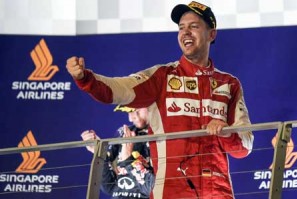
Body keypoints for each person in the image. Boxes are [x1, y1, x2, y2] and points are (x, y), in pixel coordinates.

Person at [67, 1, 254, 198]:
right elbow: (117, 90)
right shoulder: (162, 77)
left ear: (212, 34)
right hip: (171, 191)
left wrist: (226, 132)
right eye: (181, 28)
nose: (185, 32)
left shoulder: (229, 84)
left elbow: (245, 147)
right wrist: (85, 79)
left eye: (194, 26)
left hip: (218, 192)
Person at [81, 106, 155, 198]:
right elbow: (109, 187)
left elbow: (158, 188)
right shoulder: (123, 132)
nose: (131, 118)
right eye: (128, 112)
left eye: (136, 110)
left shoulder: (165, 136)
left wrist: (128, 160)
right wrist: (99, 151)